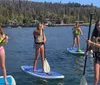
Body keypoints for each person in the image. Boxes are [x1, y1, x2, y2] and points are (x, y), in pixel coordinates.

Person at [85, 20, 100, 85]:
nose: (99, 26)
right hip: (97, 57)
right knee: (96, 77)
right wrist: (87, 50)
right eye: (97, 25)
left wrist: (91, 43)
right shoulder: (94, 34)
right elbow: (91, 45)